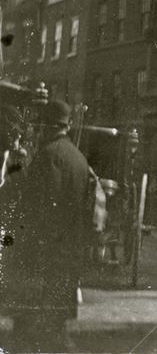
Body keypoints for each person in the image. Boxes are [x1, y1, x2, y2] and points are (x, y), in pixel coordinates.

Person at [8, 99, 90, 352]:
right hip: (68, 252)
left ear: (46, 126)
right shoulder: (79, 159)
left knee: (34, 329)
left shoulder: (48, 156)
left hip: (45, 256)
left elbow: (39, 208)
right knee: (55, 324)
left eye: (39, 126)